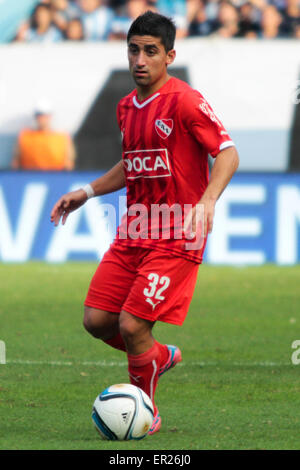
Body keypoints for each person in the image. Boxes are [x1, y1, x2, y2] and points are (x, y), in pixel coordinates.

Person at [50, 11, 239, 434]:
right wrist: (88, 192)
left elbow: (227, 153)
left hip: (177, 233)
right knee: (97, 321)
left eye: (150, 51)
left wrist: (207, 202)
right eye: (133, 49)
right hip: (134, 230)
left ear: (169, 55)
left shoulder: (185, 100)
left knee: (131, 324)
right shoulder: (125, 108)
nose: (140, 59)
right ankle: (154, 355)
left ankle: (146, 414)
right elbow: (131, 164)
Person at [12, 99, 76, 170]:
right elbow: (16, 160)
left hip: (56, 175)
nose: (41, 119)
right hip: (30, 175)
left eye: (44, 115)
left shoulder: (61, 137)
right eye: (39, 115)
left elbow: (69, 161)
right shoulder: (25, 136)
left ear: (50, 116)